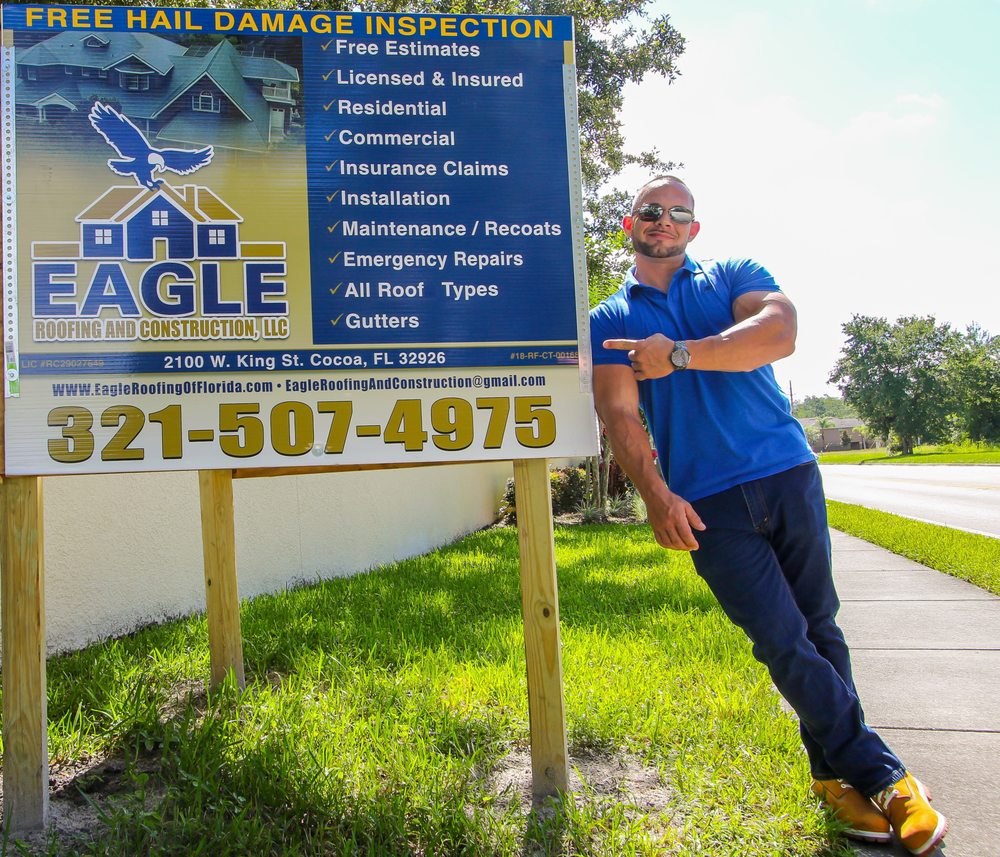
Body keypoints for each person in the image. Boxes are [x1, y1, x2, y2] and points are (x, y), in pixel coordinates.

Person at [588, 174, 948, 856]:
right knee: (782, 639)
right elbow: (619, 414)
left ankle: (833, 779)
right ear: (629, 224)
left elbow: (779, 332)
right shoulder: (611, 318)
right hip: (707, 502)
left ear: (694, 229)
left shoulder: (732, 275)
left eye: (678, 213)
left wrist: (680, 355)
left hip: (787, 473)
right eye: (650, 210)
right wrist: (657, 495)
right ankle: (889, 780)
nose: (663, 220)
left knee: (819, 626)